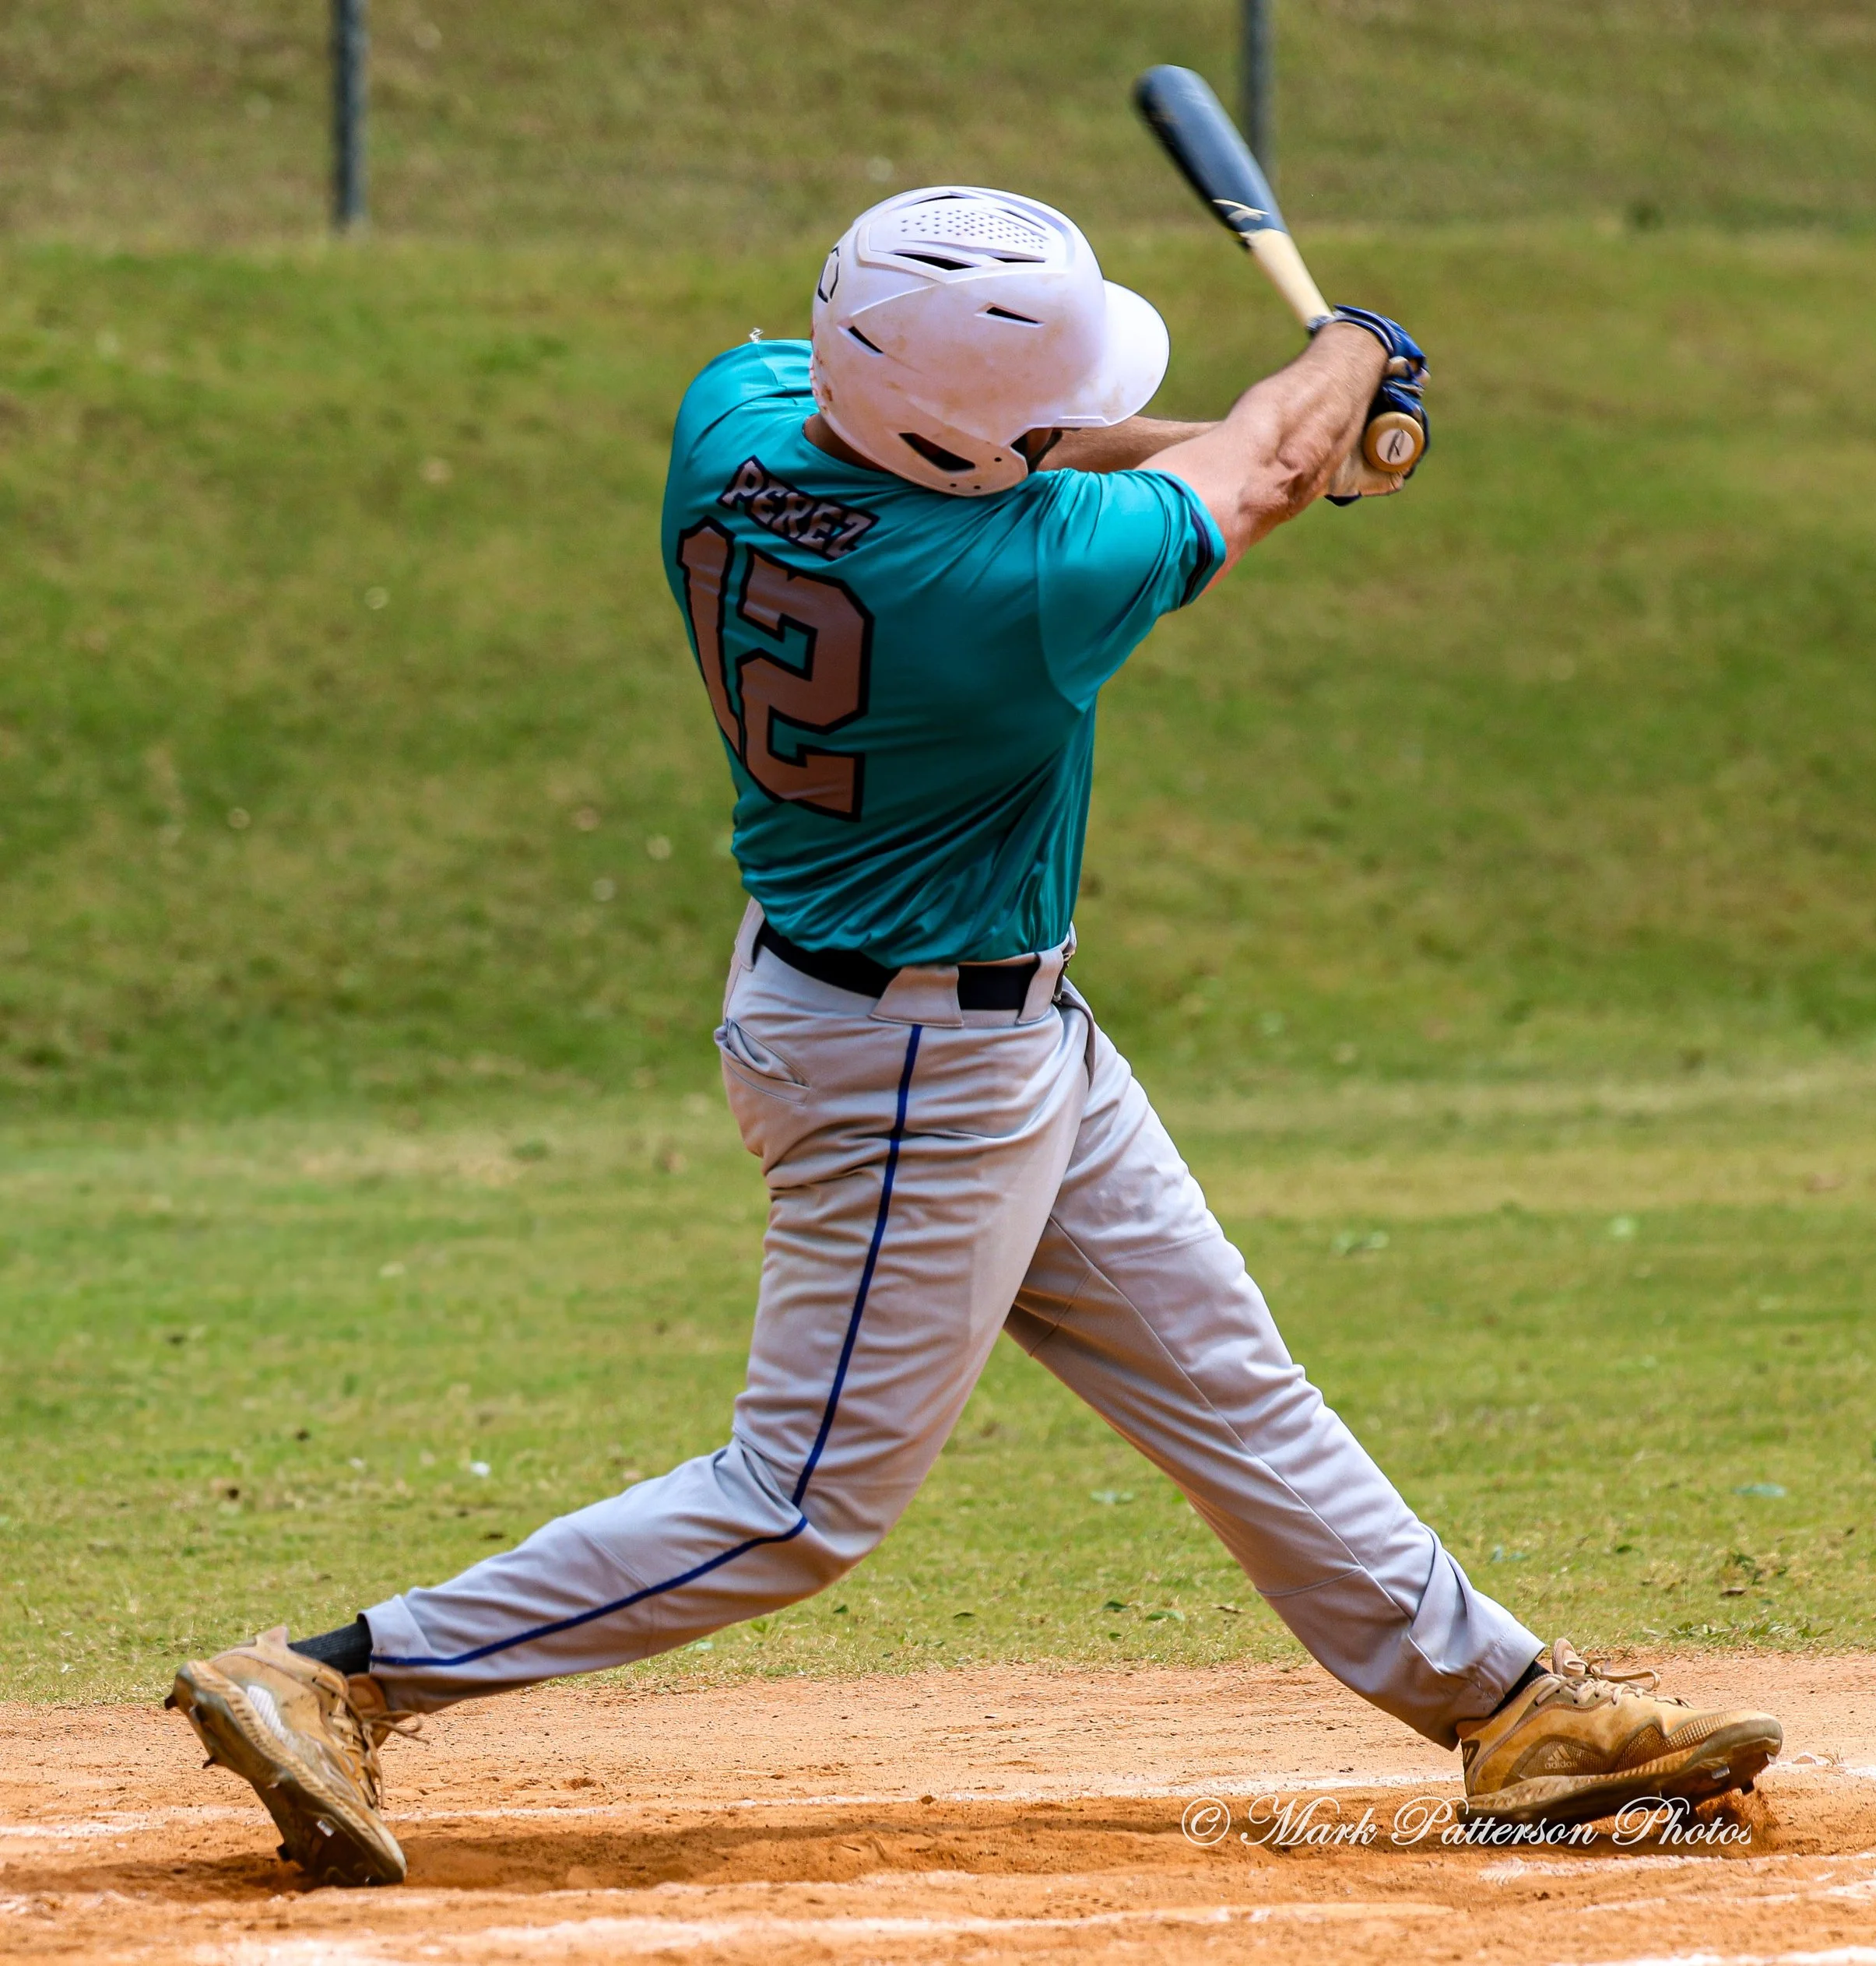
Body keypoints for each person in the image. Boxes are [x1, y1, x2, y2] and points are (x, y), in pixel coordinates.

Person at [167, 187, 1781, 1887]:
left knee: (1224, 1372)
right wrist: (1352, 351)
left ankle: (1508, 1704)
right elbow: (1218, 479)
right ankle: (338, 1674)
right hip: (916, 1073)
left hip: (937, 1012)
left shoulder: (735, 420)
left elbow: (1093, 447)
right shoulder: (1014, 590)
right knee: (798, 1505)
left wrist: (1305, 434)